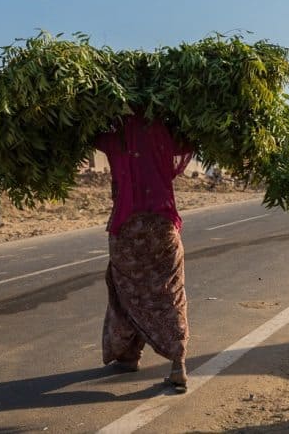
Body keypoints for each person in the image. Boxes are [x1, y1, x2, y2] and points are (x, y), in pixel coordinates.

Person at [95, 112, 193, 393]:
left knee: (127, 291)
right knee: (170, 293)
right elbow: (188, 144)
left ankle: (127, 355)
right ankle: (177, 364)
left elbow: (89, 136)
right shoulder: (164, 134)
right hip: (163, 228)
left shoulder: (117, 136)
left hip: (128, 231)